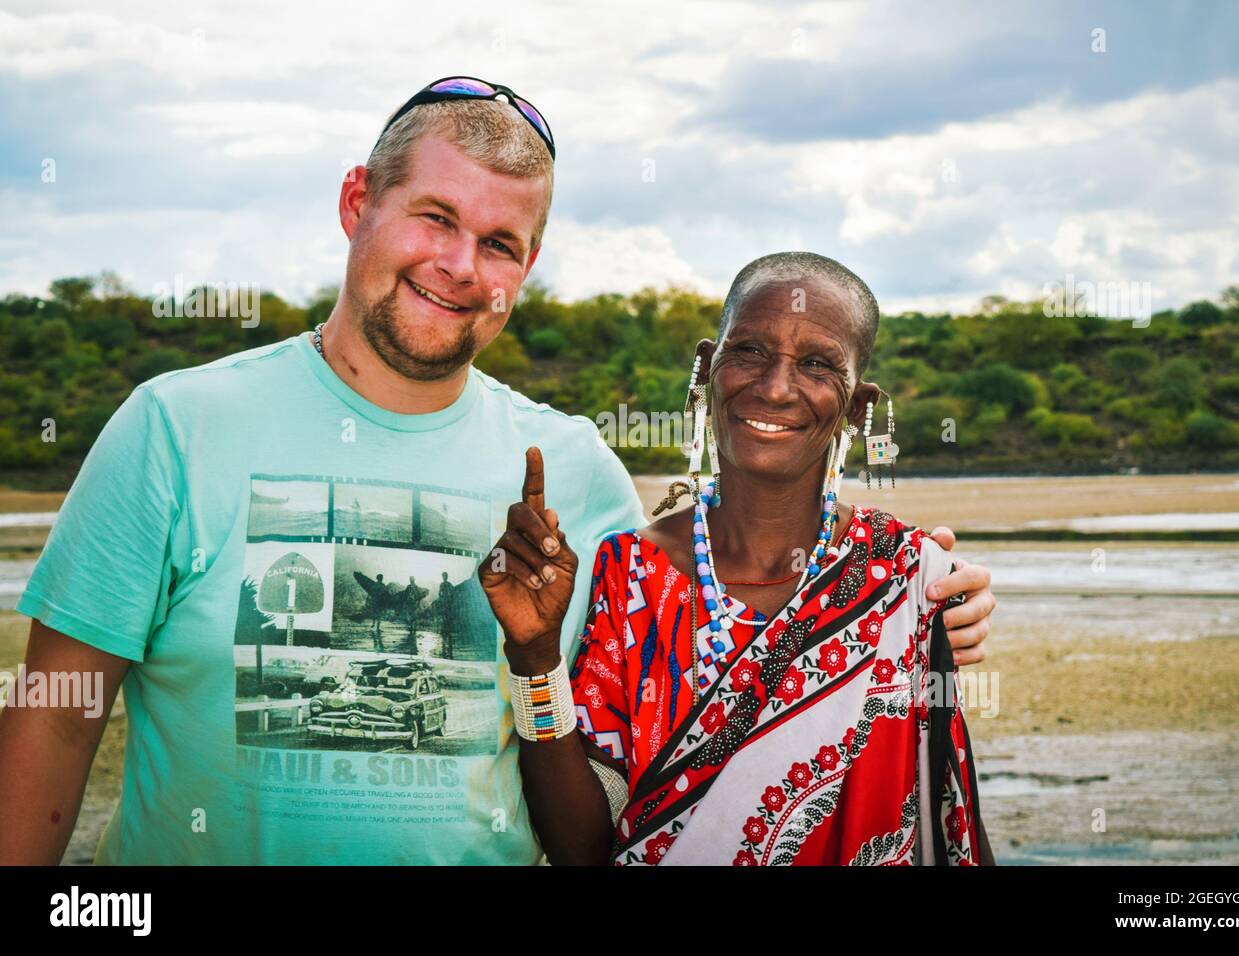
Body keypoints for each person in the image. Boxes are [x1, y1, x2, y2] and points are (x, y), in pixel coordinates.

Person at [0, 76, 994, 866]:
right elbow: (54, 721)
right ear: (358, 202)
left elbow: (716, 611)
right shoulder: (177, 426)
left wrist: (907, 591)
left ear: (528, 264)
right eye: (434, 217)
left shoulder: (576, 470)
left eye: (499, 242)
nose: (460, 264)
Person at [485, 252, 994, 865]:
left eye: (816, 364)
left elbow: (950, 816)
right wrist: (535, 655)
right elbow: (580, 848)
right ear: (707, 367)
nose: (776, 387)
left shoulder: (908, 578)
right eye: (750, 351)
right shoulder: (632, 573)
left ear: (858, 406)